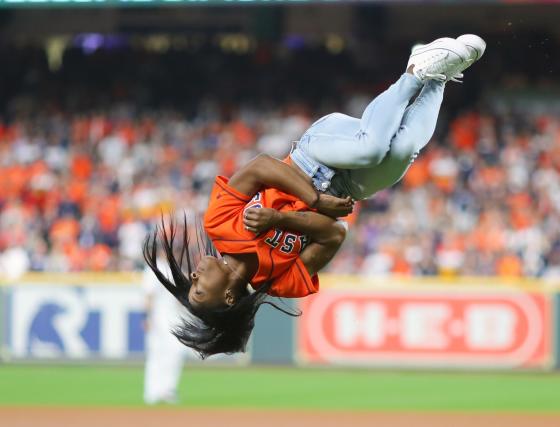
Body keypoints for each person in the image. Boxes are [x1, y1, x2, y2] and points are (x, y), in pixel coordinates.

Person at [143, 35, 486, 358]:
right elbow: (336, 234)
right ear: (230, 297)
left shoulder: (218, 225)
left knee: (372, 148)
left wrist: (315, 204)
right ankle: (440, 77)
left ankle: (414, 72)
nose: (194, 277)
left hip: (314, 154)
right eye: (200, 290)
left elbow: (262, 167)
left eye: (193, 285)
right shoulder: (281, 283)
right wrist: (282, 219)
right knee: (403, 152)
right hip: (348, 188)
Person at [142, 257, 187, 404]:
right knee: (157, 353)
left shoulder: (173, 267)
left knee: (173, 351)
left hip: (173, 315)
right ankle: (153, 392)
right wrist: (147, 317)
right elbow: (149, 295)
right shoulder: (155, 268)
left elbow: (179, 296)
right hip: (158, 316)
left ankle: (166, 389)